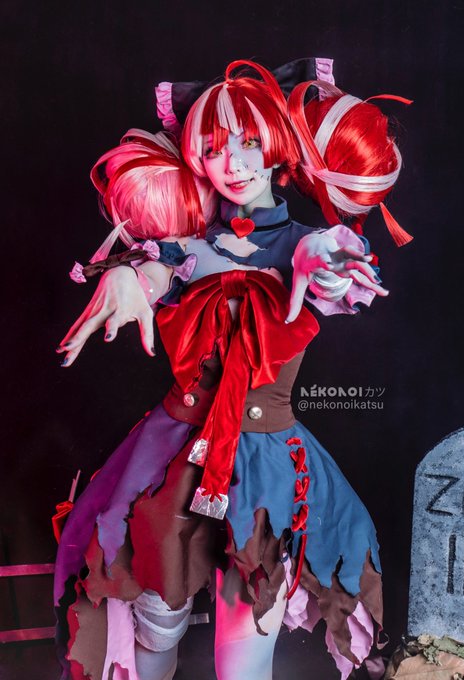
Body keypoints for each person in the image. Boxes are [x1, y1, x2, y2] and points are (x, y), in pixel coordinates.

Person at [55, 59, 410, 680]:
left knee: (245, 651)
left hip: (267, 466)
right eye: (214, 148)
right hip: (171, 462)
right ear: (196, 158)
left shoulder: (306, 244)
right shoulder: (184, 249)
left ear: (276, 147)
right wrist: (133, 277)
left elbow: (327, 259)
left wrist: (325, 258)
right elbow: (164, 268)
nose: (234, 163)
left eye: (248, 142)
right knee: (151, 639)